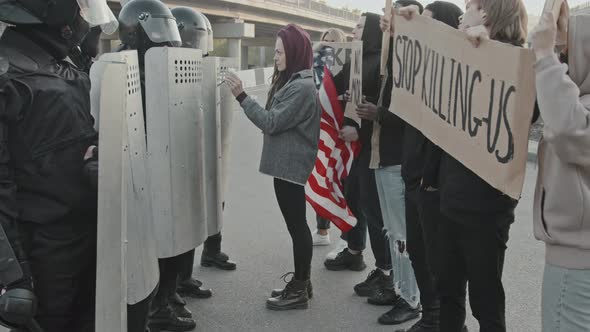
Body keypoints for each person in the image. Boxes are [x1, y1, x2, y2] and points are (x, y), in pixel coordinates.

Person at [0, 0, 117, 331]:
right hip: (42, 253)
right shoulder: (10, 76)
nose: (85, 20)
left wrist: (98, 157)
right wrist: (15, 274)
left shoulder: (60, 66)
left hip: (86, 235)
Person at [431, 1, 528, 331]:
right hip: (451, 200)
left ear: (486, 12)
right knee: (448, 294)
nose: (462, 15)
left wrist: (490, 53)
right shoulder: (460, 52)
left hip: (487, 210)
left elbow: (530, 113)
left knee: (486, 305)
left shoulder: (519, 61)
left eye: (470, 6)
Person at [380, 1, 464, 330]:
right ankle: (430, 315)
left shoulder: (450, 69)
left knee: (439, 261)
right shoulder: (417, 67)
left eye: (429, 23)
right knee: (417, 251)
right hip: (413, 176)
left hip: (436, 183)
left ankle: (445, 319)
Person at [225, 23, 320, 311]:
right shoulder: (296, 81)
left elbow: (271, 122)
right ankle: (303, 281)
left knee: (297, 226)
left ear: (293, 51)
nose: (275, 56)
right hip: (286, 165)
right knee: (297, 225)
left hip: (290, 166)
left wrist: (242, 96)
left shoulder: (301, 88)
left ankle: (300, 288)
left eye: (279, 52)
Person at [118, 1, 196, 331]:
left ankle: (161, 302)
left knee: (168, 244)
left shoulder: (160, 67)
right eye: (158, 32)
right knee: (147, 251)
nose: (167, 40)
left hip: (163, 168)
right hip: (136, 174)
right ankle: (152, 309)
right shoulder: (119, 67)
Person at [324, 13, 395, 304]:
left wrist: (361, 131)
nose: (354, 31)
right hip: (357, 147)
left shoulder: (382, 63)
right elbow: (347, 95)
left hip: (373, 149)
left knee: (378, 215)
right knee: (359, 201)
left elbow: (382, 109)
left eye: (359, 27)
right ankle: (367, 258)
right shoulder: (357, 58)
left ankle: (387, 271)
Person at [530, 11, 590, 332]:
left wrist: (545, 56)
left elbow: (569, 132)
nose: (564, 62)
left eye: (568, 52)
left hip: (577, 262)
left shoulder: (579, 108)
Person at [313, 27, 347, 247]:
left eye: (333, 41)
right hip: (321, 127)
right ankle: (323, 230)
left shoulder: (349, 63)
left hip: (342, 127)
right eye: (325, 39)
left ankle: (348, 237)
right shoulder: (315, 62)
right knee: (322, 177)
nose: (328, 44)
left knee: (342, 181)